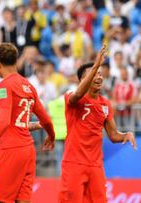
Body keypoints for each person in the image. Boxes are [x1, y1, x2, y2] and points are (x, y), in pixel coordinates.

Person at [0, 43, 55, 203]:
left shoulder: (3, 87)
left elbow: (4, 122)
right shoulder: (27, 85)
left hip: (6, 149)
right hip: (23, 150)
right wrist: (51, 136)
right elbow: (46, 120)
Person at [58, 45, 137, 203]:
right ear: (83, 80)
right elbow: (78, 94)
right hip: (74, 163)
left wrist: (125, 134)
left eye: (100, 74)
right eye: (94, 74)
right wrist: (95, 65)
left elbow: (113, 135)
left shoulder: (105, 104)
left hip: (95, 166)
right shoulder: (72, 98)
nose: (99, 77)